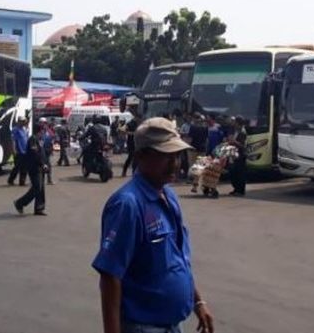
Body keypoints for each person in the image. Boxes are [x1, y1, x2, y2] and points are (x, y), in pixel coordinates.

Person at [93, 117, 215, 333]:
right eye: (165, 156)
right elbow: (110, 276)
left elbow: (178, 260)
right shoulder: (127, 205)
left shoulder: (169, 196)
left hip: (172, 326)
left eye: (177, 155)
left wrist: (198, 303)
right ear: (141, 156)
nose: (175, 163)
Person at [14, 127, 48, 216]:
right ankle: (20, 203)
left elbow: (42, 153)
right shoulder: (32, 140)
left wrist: (45, 163)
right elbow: (35, 154)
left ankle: (39, 208)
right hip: (34, 167)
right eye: (42, 132)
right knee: (37, 187)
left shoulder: (39, 140)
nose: (43, 134)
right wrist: (42, 164)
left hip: (40, 167)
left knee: (40, 188)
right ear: (39, 132)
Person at [228, 116, 248, 196]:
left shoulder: (243, 132)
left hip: (240, 155)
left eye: (235, 122)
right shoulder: (234, 130)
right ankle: (236, 189)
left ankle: (240, 191)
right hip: (233, 154)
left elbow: (243, 145)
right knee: (233, 173)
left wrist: (234, 142)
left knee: (240, 174)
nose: (234, 124)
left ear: (239, 123)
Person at [7, 117, 29, 186]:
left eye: (24, 121)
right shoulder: (15, 130)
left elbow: (26, 139)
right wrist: (14, 150)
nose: (24, 122)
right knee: (17, 167)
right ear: (19, 121)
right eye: (22, 121)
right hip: (19, 151)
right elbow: (13, 140)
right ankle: (10, 180)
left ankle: (22, 182)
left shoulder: (24, 129)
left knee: (24, 167)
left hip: (25, 151)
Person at [121, 111, 140, 177]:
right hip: (131, 143)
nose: (139, 120)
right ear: (136, 117)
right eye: (138, 118)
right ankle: (124, 171)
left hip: (138, 143)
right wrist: (131, 133)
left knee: (137, 158)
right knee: (131, 157)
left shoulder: (140, 124)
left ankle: (134, 172)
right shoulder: (130, 123)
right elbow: (122, 130)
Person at [38, 118, 55, 184]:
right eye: (42, 123)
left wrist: (52, 148)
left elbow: (53, 137)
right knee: (41, 166)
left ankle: (49, 180)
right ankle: (40, 180)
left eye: (45, 123)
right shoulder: (38, 132)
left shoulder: (49, 131)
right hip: (40, 151)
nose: (43, 125)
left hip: (48, 150)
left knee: (48, 165)